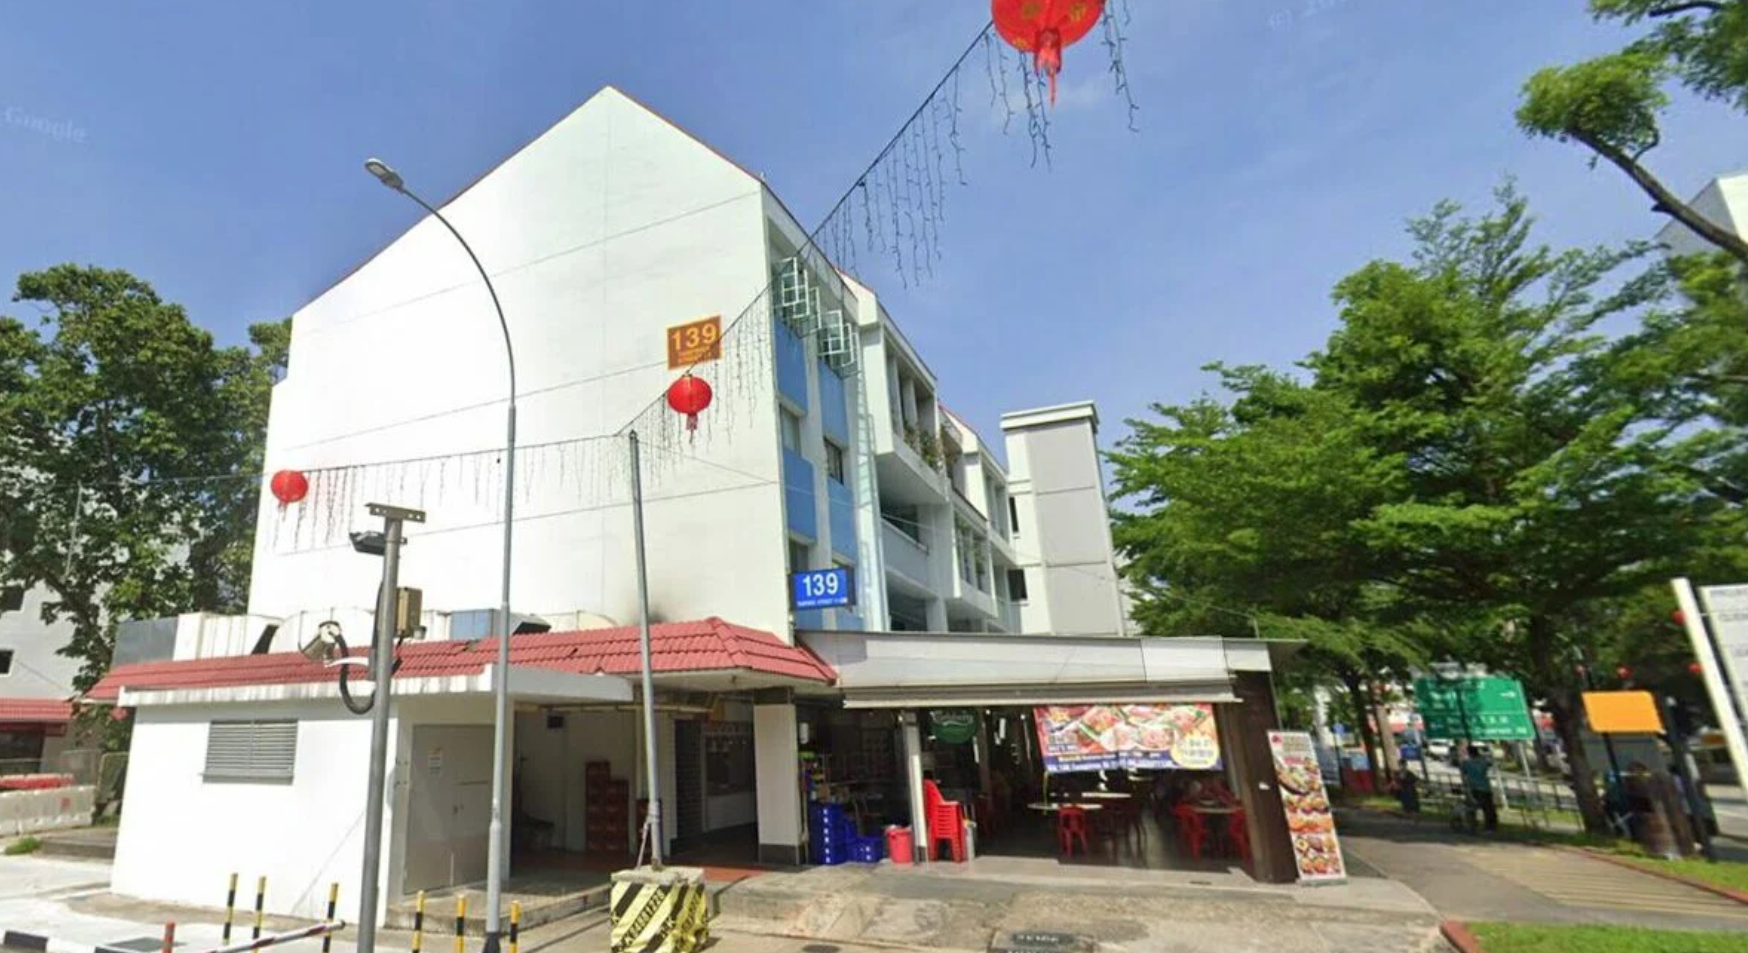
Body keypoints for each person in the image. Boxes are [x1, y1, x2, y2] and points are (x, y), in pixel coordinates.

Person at [1459, 745, 1498, 832]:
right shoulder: (1483, 761)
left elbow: (1463, 772)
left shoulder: (1467, 763)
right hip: (1485, 787)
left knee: (1472, 807)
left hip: (1473, 788)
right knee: (1488, 808)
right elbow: (1490, 764)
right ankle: (1490, 826)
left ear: (1469, 753)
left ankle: (1472, 824)